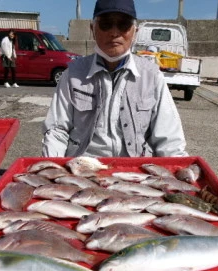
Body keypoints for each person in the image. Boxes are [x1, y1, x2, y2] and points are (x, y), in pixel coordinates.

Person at [41, 0, 188, 157]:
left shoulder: (152, 76)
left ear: (135, 31)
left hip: (135, 171)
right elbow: (57, 130)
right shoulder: (72, 74)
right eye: (106, 24)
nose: (114, 32)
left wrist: (176, 171)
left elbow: (170, 140)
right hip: (82, 168)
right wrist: (53, 170)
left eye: (123, 25)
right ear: (92, 29)